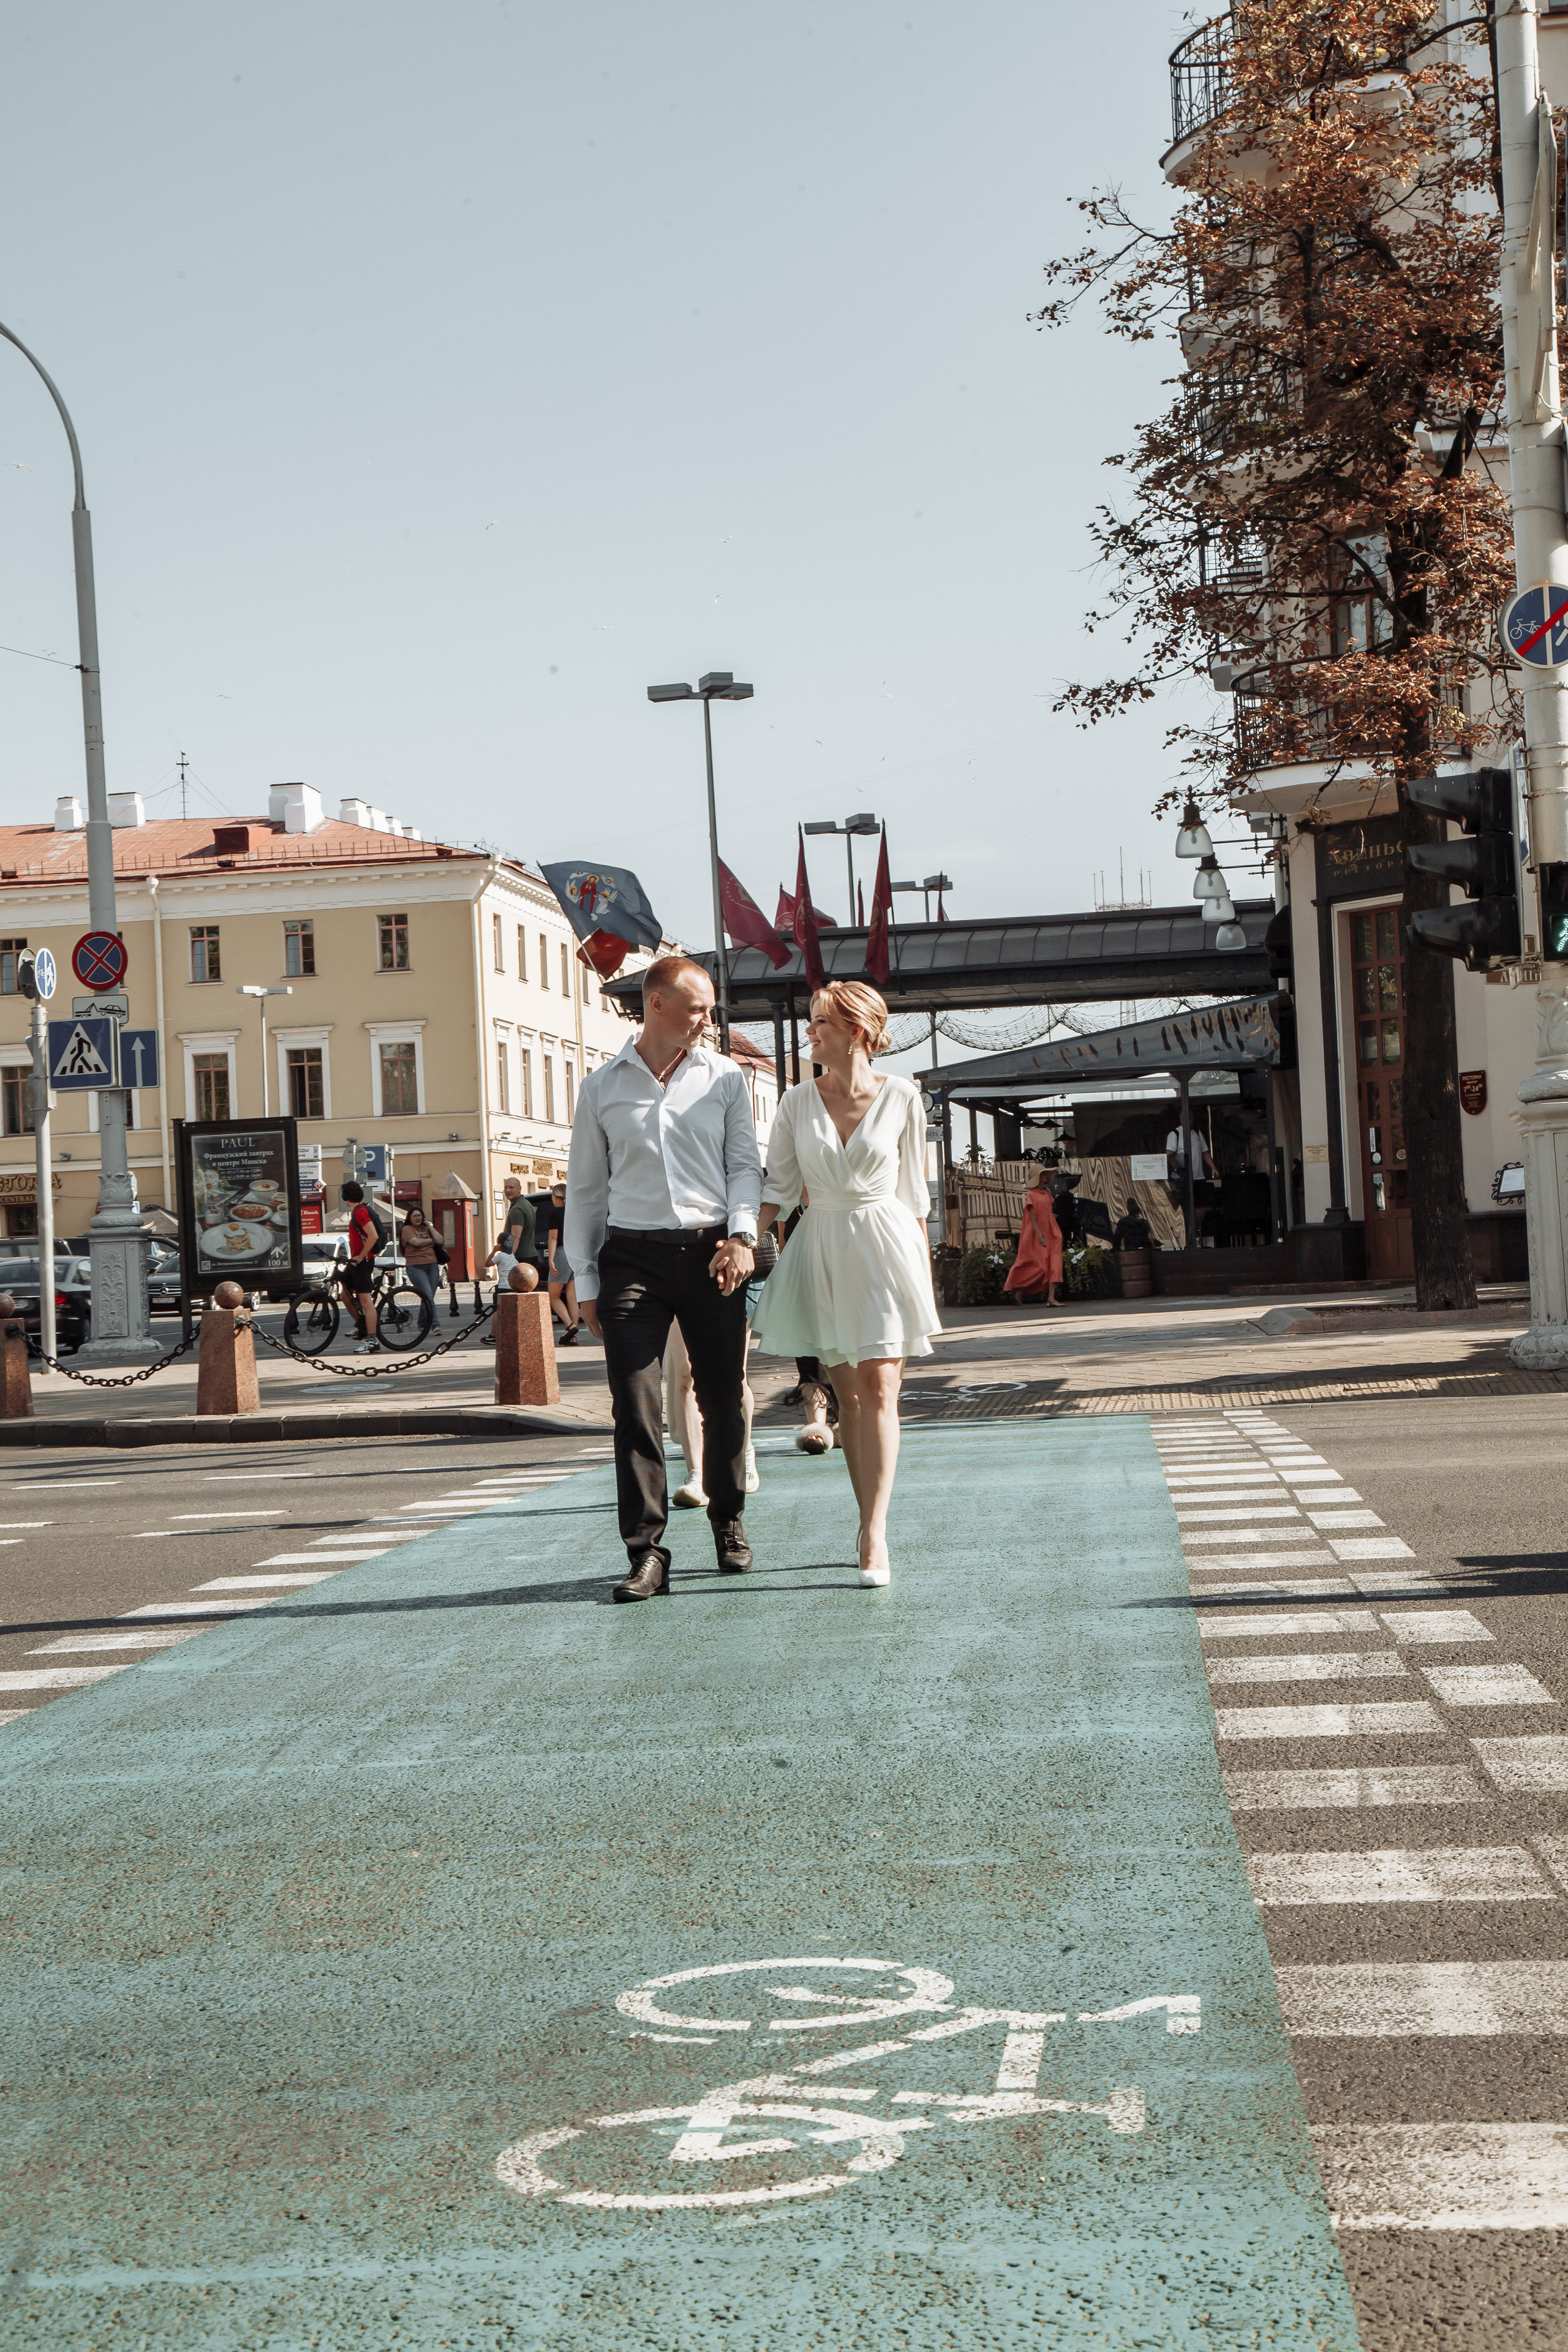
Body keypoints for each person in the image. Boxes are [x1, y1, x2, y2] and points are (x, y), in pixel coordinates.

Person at [565, 954, 761, 1603]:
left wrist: (741, 1236)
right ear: (657, 1004)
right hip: (631, 1259)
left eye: (709, 1010)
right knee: (635, 1404)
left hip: (711, 1254)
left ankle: (727, 1517)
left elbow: (744, 1166)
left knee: (722, 1398)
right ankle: (646, 1552)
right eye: (697, 1008)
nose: (707, 1020)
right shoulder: (601, 1087)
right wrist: (586, 1281)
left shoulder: (724, 1078)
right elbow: (586, 1190)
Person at [750, 979, 940, 1588]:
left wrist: (923, 1278)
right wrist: (741, 1240)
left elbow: (914, 1196)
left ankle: (875, 1532)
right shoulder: (796, 1101)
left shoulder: (903, 1096)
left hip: (888, 1247)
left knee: (882, 1386)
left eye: (821, 1023)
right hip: (823, 1248)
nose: (810, 1032)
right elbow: (779, 1190)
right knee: (849, 1396)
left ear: (856, 1032)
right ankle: (865, 1518)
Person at [663, 1321, 759, 1507]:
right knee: (685, 1374)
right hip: (679, 1302)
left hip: (730, 1302)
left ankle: (745, 1451)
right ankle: (697, 1476)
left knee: (735, 1375)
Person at [1003, 1174, 1064, 1307]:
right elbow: (1032, 1218)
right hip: (1037, 1233)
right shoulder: (1031, 1194)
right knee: (1041, 1267)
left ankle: (1051, 1298)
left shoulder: (1047, 1192)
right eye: (1043, 1175)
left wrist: (1054, 1220)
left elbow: (1048, 1211)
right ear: (1038, 1178)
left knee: (1055, 1263)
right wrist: (1040, 1236)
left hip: (1052, 1231)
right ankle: (1019, 1288)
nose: (1046, 1177)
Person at [339, 1181, 382, 1354]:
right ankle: (362, 1326)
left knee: (365, 1301)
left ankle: (372, 1341)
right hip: (355, 1262)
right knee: (345, 1296)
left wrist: (360, 1256)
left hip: (362, 1262)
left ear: (346, 1197)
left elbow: (373, 1235)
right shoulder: (357, 1210)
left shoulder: (360, 1212)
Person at [544, 1182, 580, 1345]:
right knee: (572, 1298)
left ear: (555, 1197)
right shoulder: (575, 1213)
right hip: (575, 1254)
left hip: (561, 1253)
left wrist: (551, 1259)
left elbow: (553, 1238)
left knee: (553, 1296)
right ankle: (572, 1336)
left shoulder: (555, 1214)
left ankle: (570, 1326)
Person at [399, 1204, 445, 1319]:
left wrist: (430, 1227)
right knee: (428, 1296)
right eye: (415, 1216)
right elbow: (416, 1243)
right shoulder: (407, 1229)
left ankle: (422, 1324)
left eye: (419, 1216)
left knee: (429, 1298)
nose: (417, 1218)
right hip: (416, 1267)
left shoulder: (427, 1229)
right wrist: (431, 1240)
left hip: (432, 1265)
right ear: (410, 1218)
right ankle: (435, 1325)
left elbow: (440, 1240)